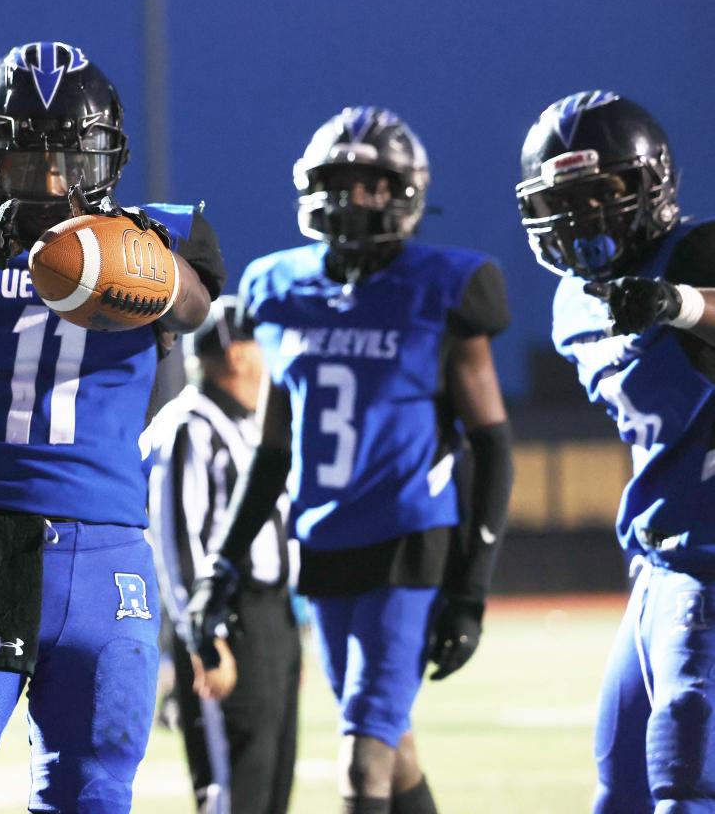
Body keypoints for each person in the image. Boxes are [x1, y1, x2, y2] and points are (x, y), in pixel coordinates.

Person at [0, 41, 224, 814]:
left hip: (107, 560)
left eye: (72, 159)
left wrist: (133, 254)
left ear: (107, 160)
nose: (54, 182)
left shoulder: (154, 236)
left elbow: (194, 306)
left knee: (89, 799)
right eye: (28, 161)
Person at [187, 106, 514, 814]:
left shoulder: (444, 286)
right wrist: (222, 562)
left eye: (372, 184)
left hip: (408, 539)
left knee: (360, 761)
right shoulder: (283, 289)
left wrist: (469, 587)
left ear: (404, 193)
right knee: (391, 750)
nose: (353, 200)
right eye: (338, 182)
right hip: (325, 544)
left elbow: (491, 444)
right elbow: (273, 452)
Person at [516, 90, 715, 813]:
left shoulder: (694, 251)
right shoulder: (572, 305)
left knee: (683, 789)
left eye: (603, 193)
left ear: (648, 183)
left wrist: (679, 303)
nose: (583, 217)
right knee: (620, 788)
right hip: (658, 565)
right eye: (564, 199)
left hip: (708, 561)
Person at [148, 295, 301, 814]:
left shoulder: (253, 425)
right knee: (233, 792)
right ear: (236, 352)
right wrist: (204, 639)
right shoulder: (190, 423)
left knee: (271, 783)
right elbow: (176, 543)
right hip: (227, 621)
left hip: (270, 619)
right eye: (261, 343)